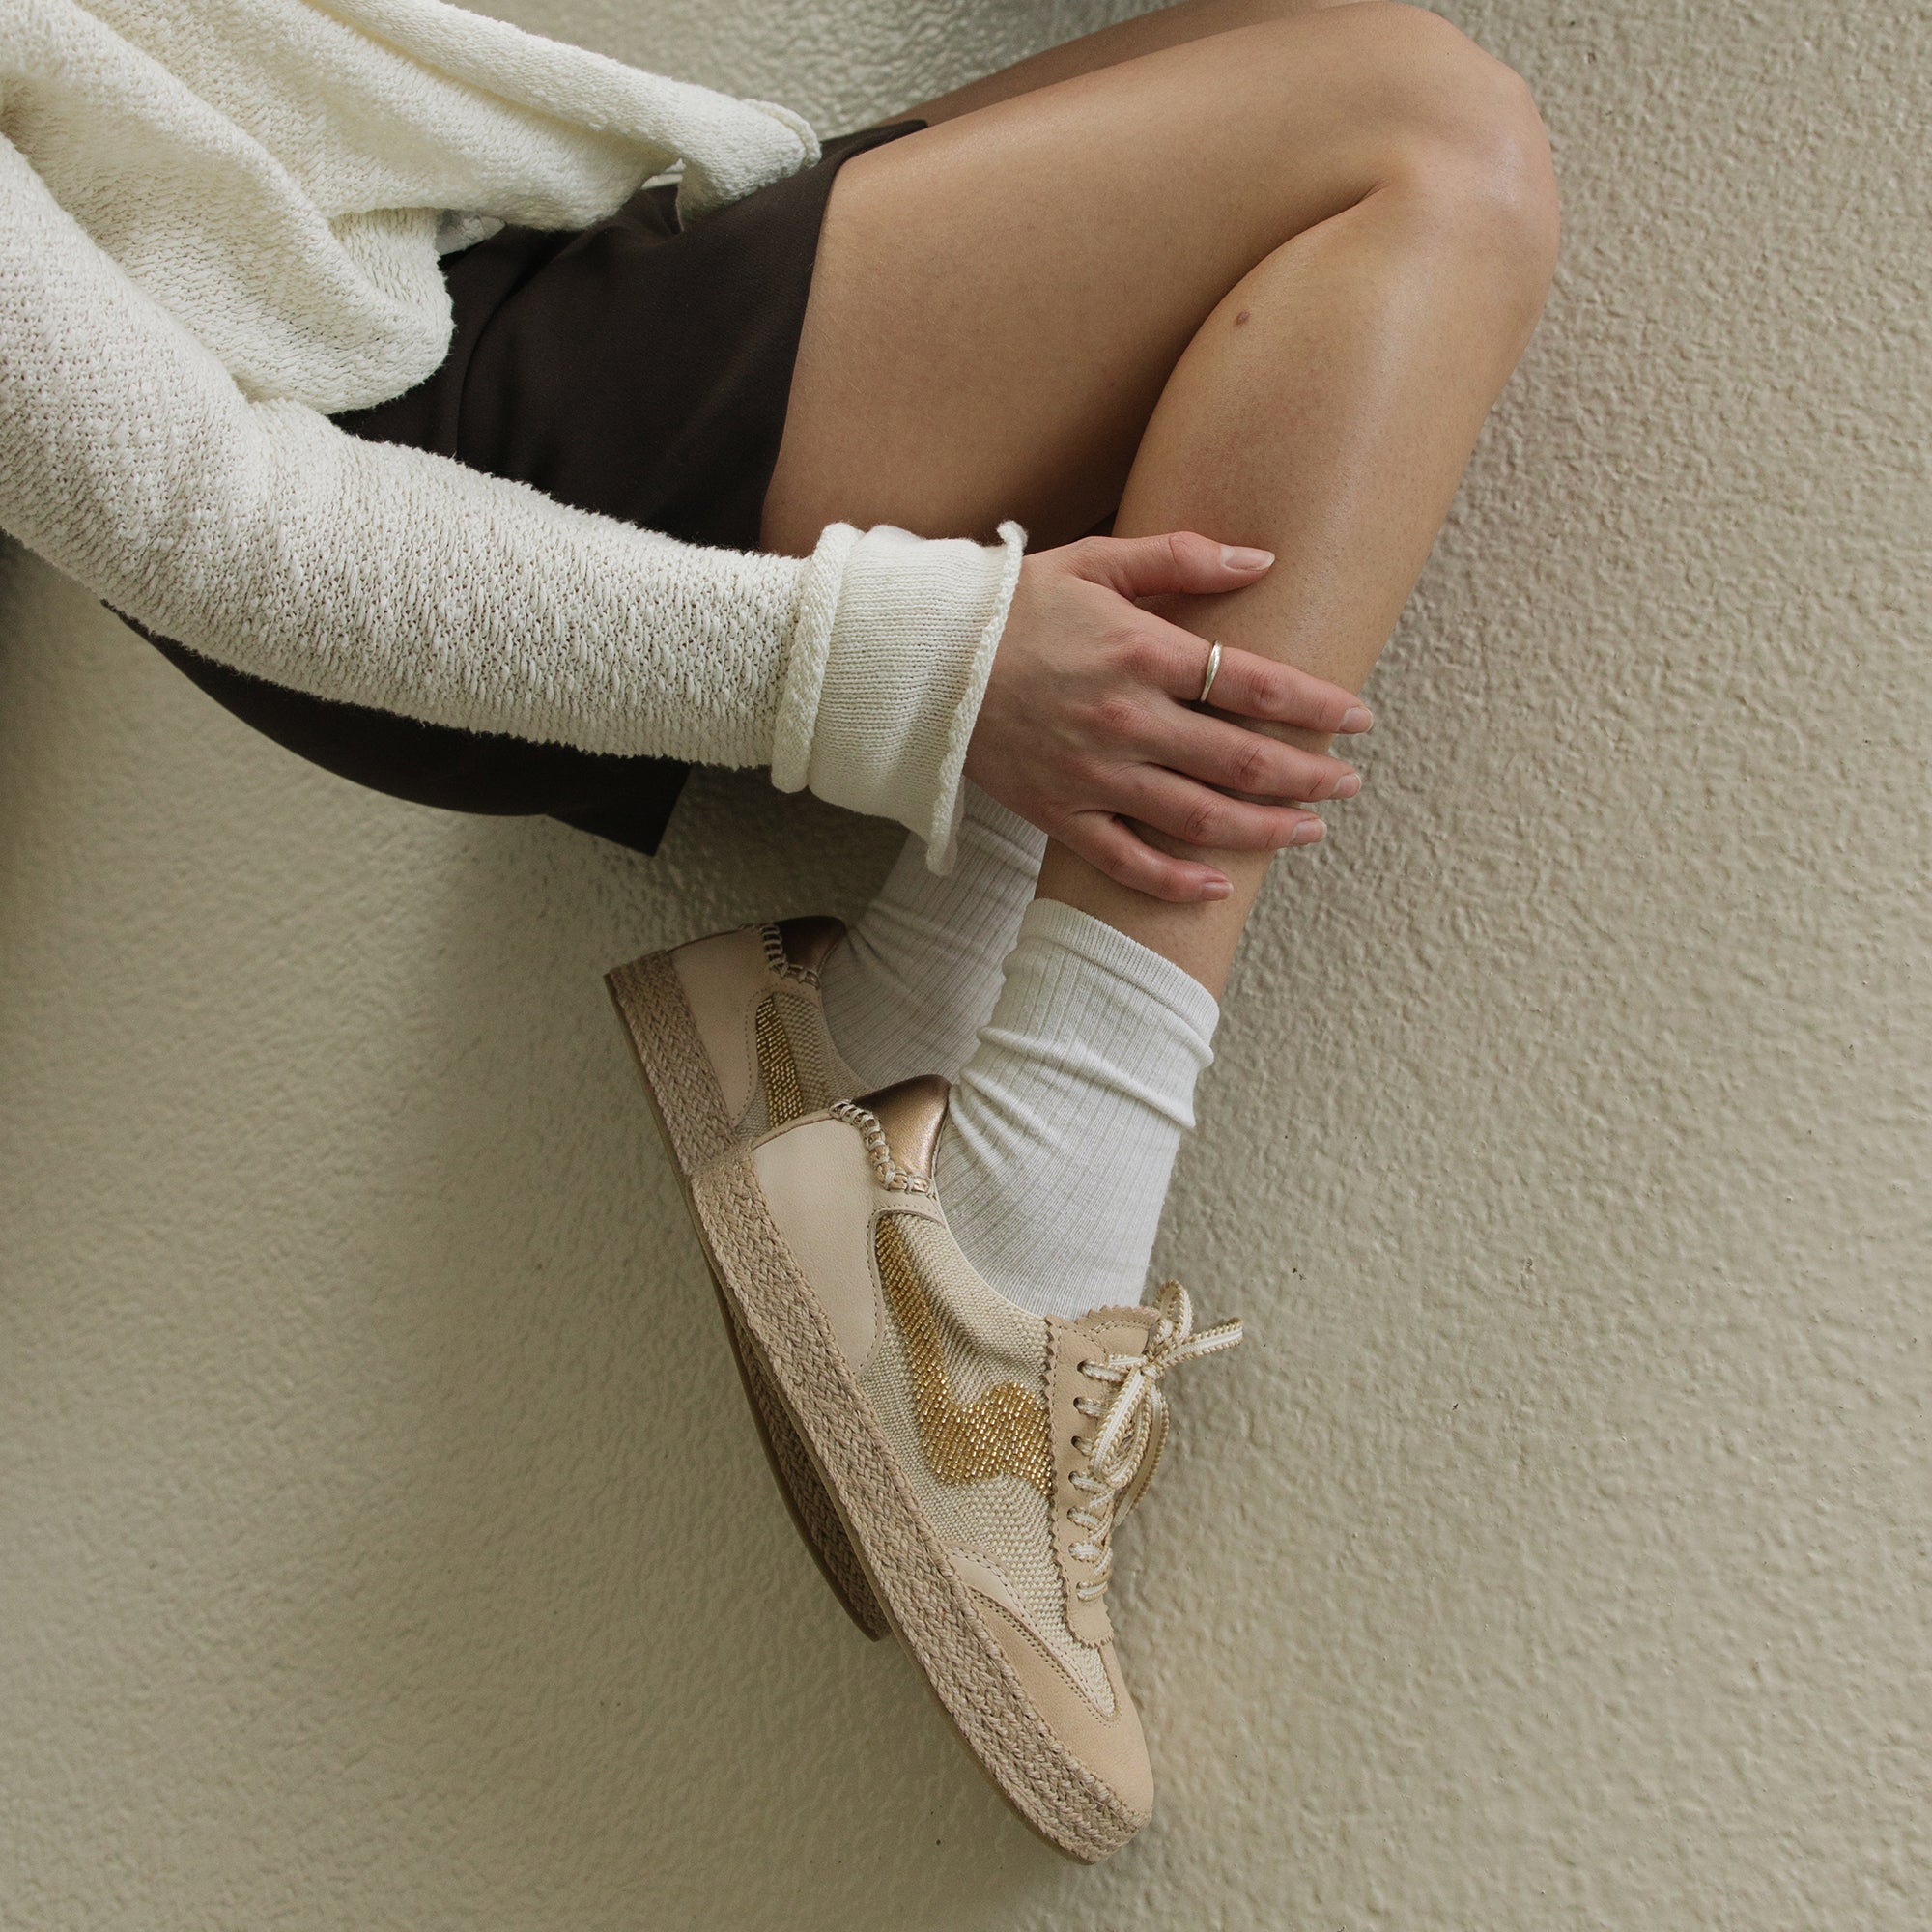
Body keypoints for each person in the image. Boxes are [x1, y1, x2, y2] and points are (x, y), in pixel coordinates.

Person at [0, 0, 1557, 1860]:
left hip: (508, 299)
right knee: (1423, 146)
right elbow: (209, 526)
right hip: (438, 484)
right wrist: (908, 667)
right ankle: (1021, 1247)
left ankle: (882, 1051)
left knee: (1323, 74)